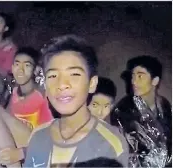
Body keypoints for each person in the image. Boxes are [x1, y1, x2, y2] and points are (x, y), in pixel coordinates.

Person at [23, 35, 129, 167]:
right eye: (53, 76)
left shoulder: (110, 145)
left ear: (92, 83)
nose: (62, 84)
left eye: (74, 75)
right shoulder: (38, 137)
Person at [0, 47, 53, 167]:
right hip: (19, 156)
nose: (21, 70)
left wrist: (21, 153)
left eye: (27, 65)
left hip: (40, 153)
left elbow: (53, 140)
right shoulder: (12, 95)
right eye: (17, 64)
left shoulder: (44, 96)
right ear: (12, 68)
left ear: (36, 70)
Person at [110, 55, 172, 167]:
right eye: (133, 76)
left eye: (140, 76)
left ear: (155, 81)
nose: (134, 81)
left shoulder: (165, 106)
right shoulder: (123, 110)